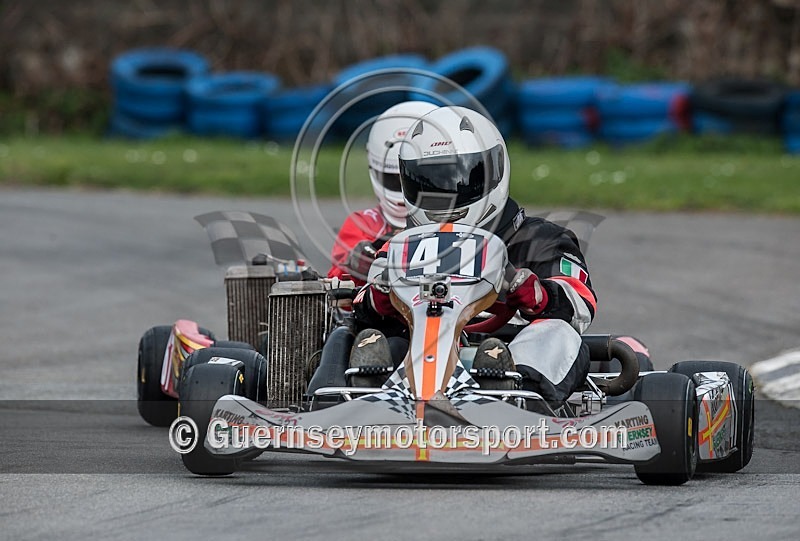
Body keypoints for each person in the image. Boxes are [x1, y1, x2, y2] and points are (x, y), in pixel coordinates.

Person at [352, 106, 598, 405]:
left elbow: (580, 302)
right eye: (430, 183)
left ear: (495, 171)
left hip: (510, 350)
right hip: (416, 358)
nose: (447, 193)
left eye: (459, 180)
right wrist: (377, 299)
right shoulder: (400, 247)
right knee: (357, 336)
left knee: (558, 333)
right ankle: (357, 399)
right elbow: (361, 303)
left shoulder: (539, 239)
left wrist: (540, 295)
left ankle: (515, 400)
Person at [327, 101, 438, 286]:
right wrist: (359, 265)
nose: (404, 193)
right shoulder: (364, 226)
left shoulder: (462, 222)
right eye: (394, 180)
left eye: (415, 182)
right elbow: (334, 285)